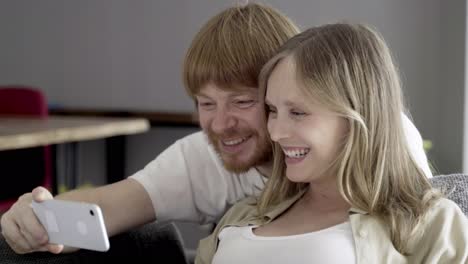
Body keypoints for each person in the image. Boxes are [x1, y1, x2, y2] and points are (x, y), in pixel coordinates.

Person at [1, 3, 431, 256]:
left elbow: (417, 236)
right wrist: (35, 215)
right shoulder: (203, 159)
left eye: (243, 102)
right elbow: (107, 207)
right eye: (206, 104)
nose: (221, 124)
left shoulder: (382, 140)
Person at [195, 23, 468, 264]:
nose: (275, 133)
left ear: (358, 116)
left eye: (298, 113)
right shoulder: (243, 215)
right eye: (272, 111)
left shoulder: (432, 225)